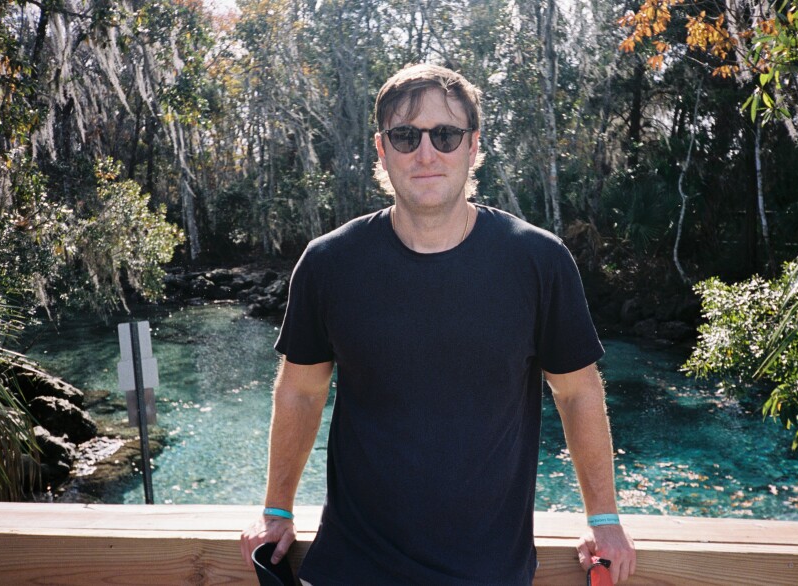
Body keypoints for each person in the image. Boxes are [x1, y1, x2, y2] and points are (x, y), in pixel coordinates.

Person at [241, 63, 636, 585]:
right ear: (382, 150)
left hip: (489, 573)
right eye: (405, 136)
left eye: (446, 135)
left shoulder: (538, 261)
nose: (426, 153)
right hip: (351, 569)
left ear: (473, 147)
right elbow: (301, 392)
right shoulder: (329, 263)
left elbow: (577, 394)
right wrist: (277, 511)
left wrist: (603, 519)